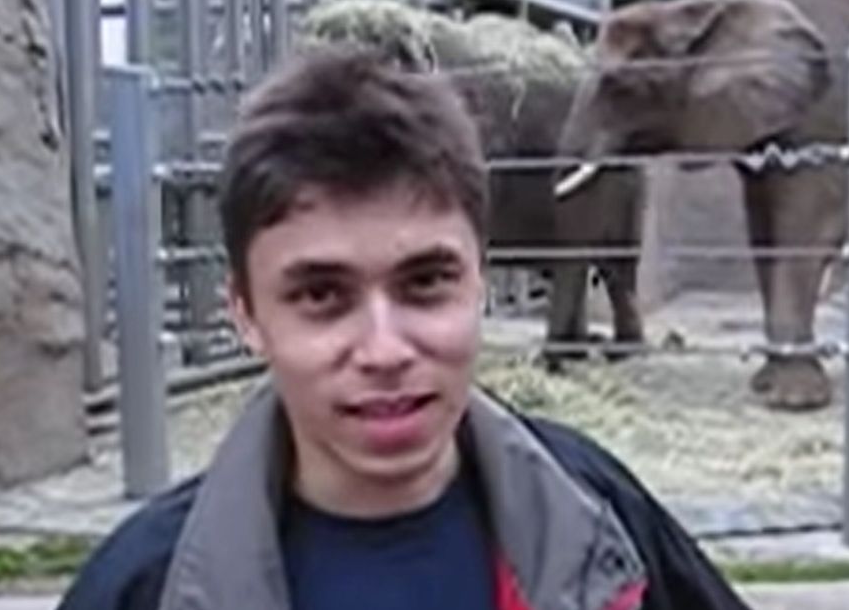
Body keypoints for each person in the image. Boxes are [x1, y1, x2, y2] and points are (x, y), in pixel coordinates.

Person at [56, 46, 751, 610]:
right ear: (246, 313)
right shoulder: (139, 588)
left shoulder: (601, 519)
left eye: (425, 283)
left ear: (479, 280)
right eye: (322, 295)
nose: (385, 350)